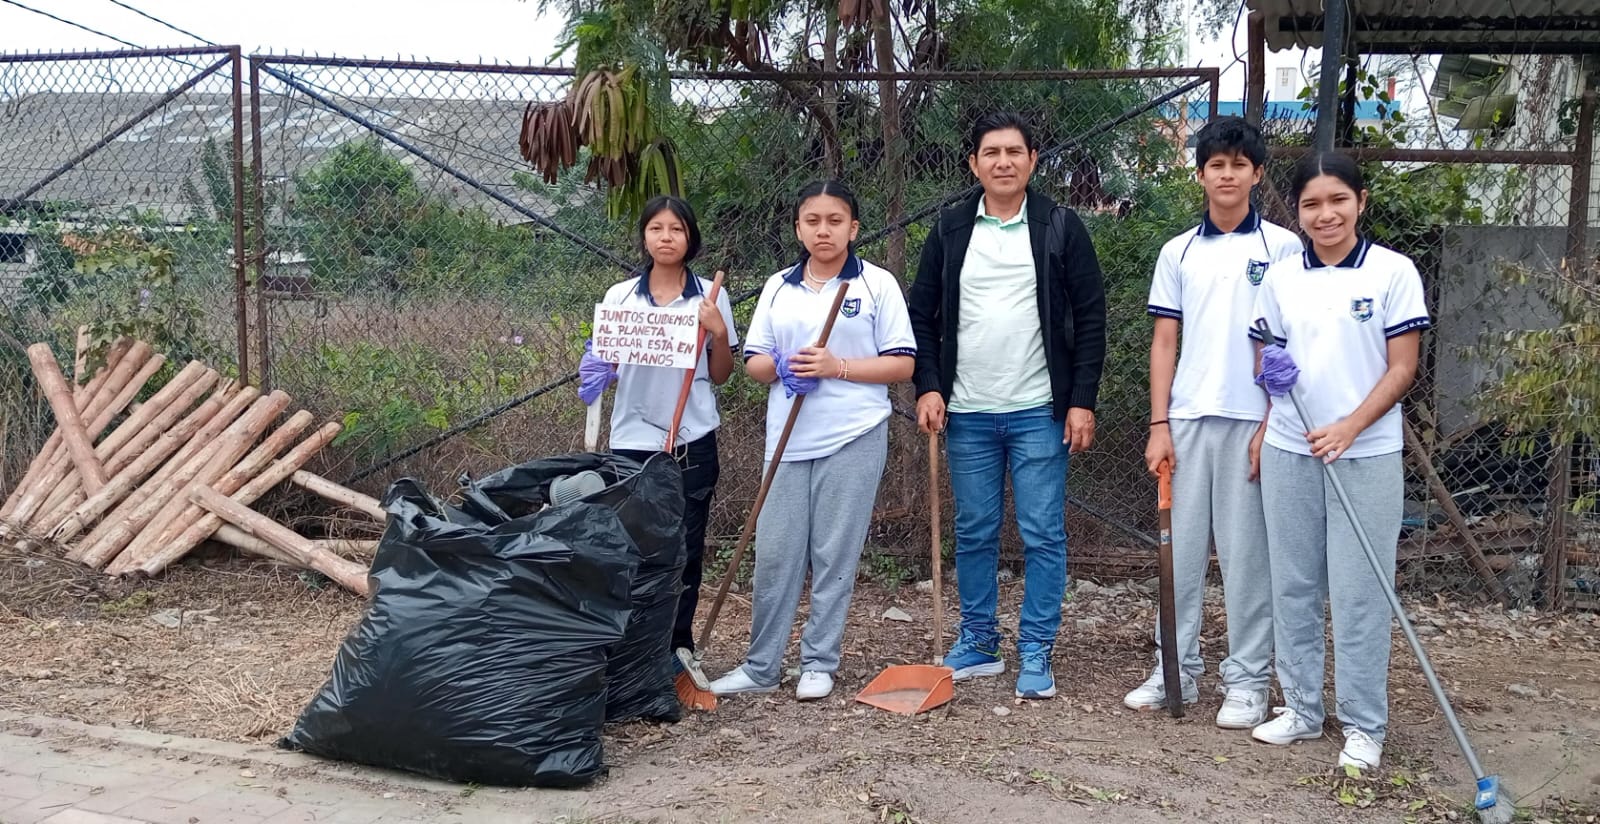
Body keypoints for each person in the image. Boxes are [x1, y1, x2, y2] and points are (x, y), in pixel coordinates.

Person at [907, 112, 1107, 700]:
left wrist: (1081, 400)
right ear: (974, 163)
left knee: (1042, 532)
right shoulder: (950, 229)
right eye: (991, 152)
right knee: (974, 531)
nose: (1003, 162)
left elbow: (1091, 318)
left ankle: (1037, 647)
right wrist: (928, 385)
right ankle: (979, 640)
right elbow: (921, 315)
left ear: (1032, 160)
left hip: (1039, 410)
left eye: (1014, 152)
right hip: (967, 412)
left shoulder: (1059, 226)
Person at [1246, 152, 1428, 770]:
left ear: (1360, 201)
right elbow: (1264, 353)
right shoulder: (1280, 277)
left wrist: (1351, 426)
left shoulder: (1392, 272)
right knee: (1293, 582)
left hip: (1365, 452)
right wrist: (1269, 370)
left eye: (1337, 200)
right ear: (1297, 212)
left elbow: (1403, 368)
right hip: (1290, 446)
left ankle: (1363, 724)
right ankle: (1301, 708)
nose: (1325, 215)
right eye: (1311, 204)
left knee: (1359, 590)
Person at [1122, 117, 1303, 728]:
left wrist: (1271, 423)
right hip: (1187, 418)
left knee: (1247, 557)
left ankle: (1248, 680)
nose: (1227, 175)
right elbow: (1164, 341)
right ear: (1200, 174)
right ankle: (1174, 668)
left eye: (1238, 165)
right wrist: (1159, 422)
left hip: (1253, 420)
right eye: (1216, 165)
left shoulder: (1282, 248)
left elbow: (1288, 344)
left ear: (1257, 173)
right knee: (1178, 553)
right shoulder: (1178, 251)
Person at [708, 180, 916, 701]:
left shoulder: (876, 284)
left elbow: (902, 363)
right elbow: (754, 361)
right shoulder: (778, 286)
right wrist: (780, 366)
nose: (824, 230)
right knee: (776, 552)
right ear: (799, 228)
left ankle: (819, 662)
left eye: (835, 220)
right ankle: (761, 667)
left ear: (854, 228)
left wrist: (836, 366)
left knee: (833, 553)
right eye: (813, 221)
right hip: (788, 438)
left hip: (853, 433)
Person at [582, 195, 738, 663]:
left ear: (691, 238)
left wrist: (718, 332)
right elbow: (608, 362)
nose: (666, 237)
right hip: (632, 444)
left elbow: (722, 374)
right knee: (629, 551)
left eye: (676, 229)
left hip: (691, 444)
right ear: (644, 237)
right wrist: (599, 367)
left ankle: (676, 651)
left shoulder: (711, 297)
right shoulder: (620, 297)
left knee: (685, 552)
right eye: (656, 228)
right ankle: (629, 654)